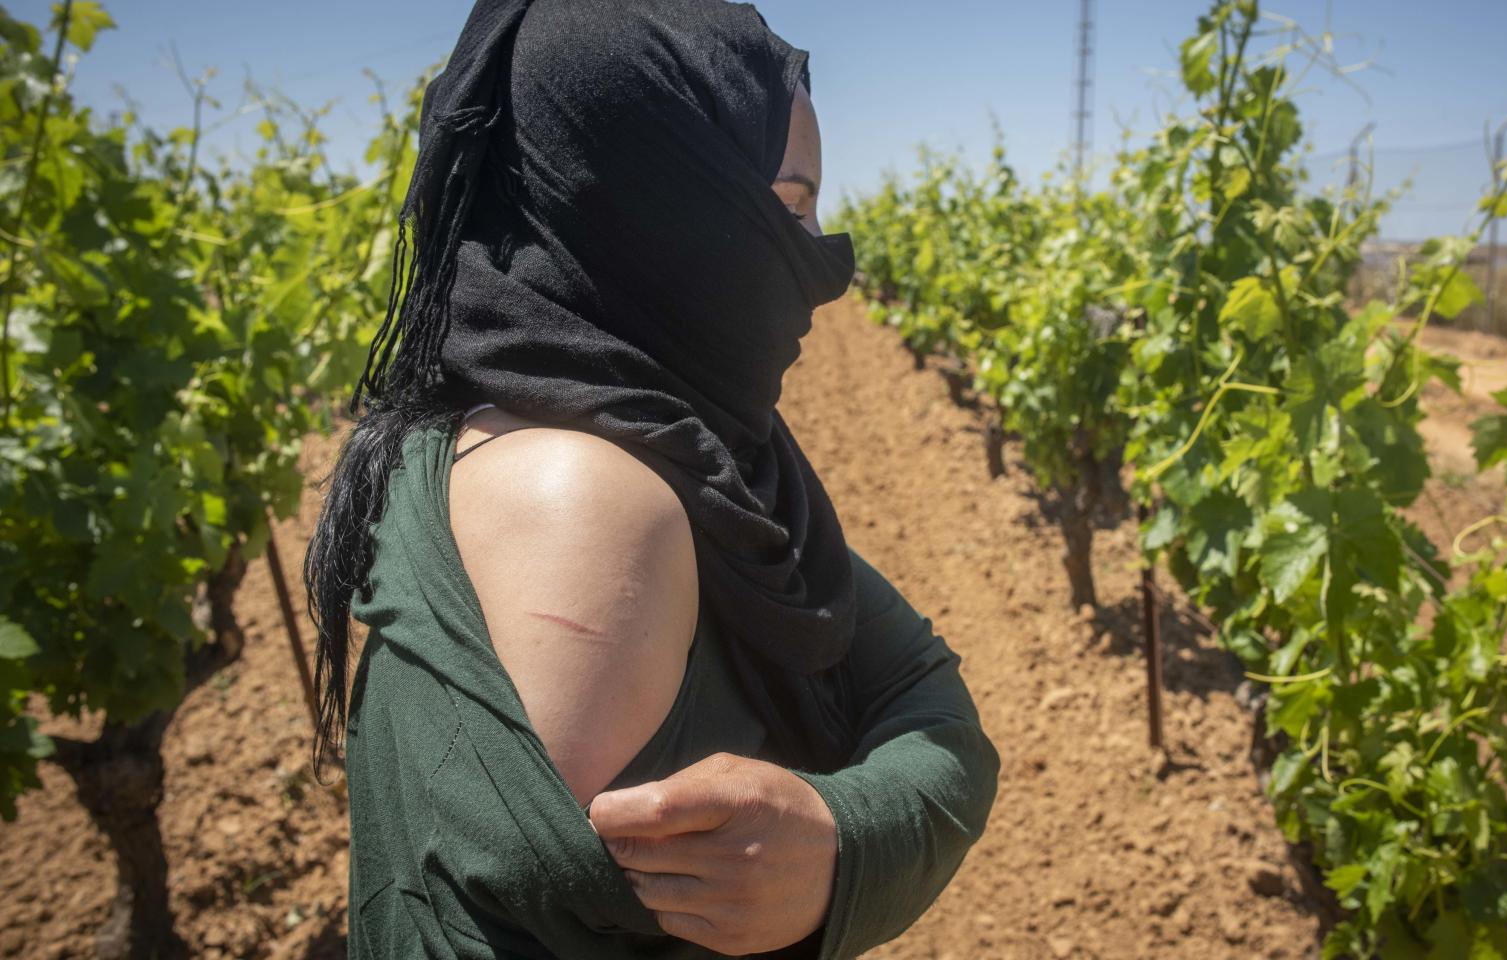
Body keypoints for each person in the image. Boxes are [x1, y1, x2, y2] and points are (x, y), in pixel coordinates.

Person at [301, 1, 1001, 957]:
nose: (822, 260)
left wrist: (844, 842)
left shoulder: (653, 443)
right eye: (788, 207)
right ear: (660, 200)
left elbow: (921, 684)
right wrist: (868, 839)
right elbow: (932, 717)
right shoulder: (589, 506)